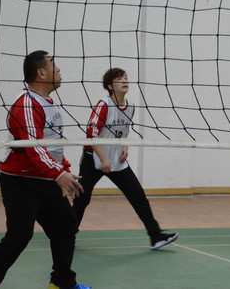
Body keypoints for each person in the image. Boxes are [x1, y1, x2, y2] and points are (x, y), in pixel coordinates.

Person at [0, 51, 90, 289]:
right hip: (21, 182)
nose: (59, 70)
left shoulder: (49, 104)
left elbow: (52, 145)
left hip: (46, 179)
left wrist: (64, 169)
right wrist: (58, 174)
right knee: (18, 237)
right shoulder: (26, 103)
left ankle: (62, 282)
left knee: (66, 226)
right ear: (41, 73)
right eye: (54, 65)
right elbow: (33, 147)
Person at [72, 67, 178, 250]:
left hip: (115, 159)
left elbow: (123, 132)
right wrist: (103, 159)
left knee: (138, 195)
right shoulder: (104, 105)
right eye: (119, 79)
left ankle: (156, 236)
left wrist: (125, 147)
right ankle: (67, 235)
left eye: (126, 78)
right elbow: (91, 135)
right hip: (94, 158)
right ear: (110, 86)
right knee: (82, 199)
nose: (125, 81)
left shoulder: (130, 107)